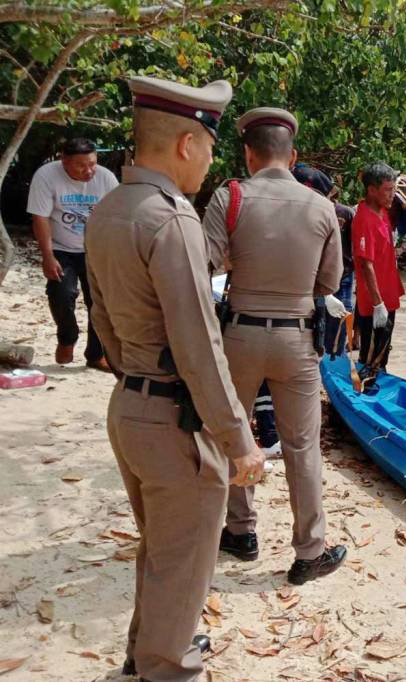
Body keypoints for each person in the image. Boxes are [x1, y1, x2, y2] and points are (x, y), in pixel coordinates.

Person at [85, 76, 264, 681]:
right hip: (171, 419)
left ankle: (146, 651)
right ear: (187, 143)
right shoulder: (173, 220)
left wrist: (135, 371)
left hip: (128, 406)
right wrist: (239, 440)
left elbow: (102, 323)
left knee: (163, 551)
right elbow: (199, 346)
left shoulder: (107, 208)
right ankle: (164, 664)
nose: (210, 161)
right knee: (183, 556)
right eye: (210, 148)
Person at [203, 108, 346, 585]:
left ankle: (240, 532)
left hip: (239, 333)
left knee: (235, 433)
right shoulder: (323, 208)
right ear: (294, 155)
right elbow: (329, 282)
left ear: (249, 153)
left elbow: (207, 263)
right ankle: (309, 552)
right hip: (296, 338)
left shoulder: (231, 195)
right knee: (303, 446)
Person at [28, 137, 118, 369]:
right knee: (61, 293)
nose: (89, 171)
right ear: (64, 161)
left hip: (96, 248)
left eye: (92, 164)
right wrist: (47, 256)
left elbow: (118, 218)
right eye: (81, 165)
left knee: (99, 303)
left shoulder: (106, 178)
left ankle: (96, 355)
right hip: (60, 246)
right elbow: (41, 217)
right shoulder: (46, 175)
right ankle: (67, 337)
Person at [291, 163, 356, 355]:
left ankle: (333, 364)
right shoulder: (293, 217)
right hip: (311, 283)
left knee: (336, 329)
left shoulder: (341, 214)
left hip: (337, 276)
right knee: (313, 330)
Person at [352, 161, 404, 380]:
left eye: (394, 189)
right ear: (372, 190)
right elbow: (365, 264)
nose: (392, 195)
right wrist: (377, 303)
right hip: (375, 300)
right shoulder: (364, 218)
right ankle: (364, 392)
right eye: (388, 190)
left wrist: (401, 185)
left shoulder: (383, 211)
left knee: (383, 351)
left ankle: (378, 383)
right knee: (371, 355)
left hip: (388, 294)